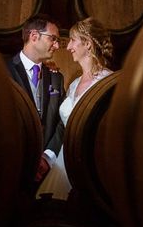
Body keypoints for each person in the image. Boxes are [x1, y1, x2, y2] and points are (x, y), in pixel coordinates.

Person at [36, 17, 114, 200]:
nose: (68, 46)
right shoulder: (74, 84)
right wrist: (47, 159)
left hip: (89, 166)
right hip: (62, 163)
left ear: (87, 44)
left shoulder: (107, 83)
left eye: (73, 40)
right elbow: (63, 128)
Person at [7, 14, 65, 183]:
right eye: (53, 39)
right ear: (34, 36)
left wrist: (48, 157)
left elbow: (62, 120)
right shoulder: (2, 71)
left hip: (47, 171)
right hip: (12, 169)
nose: (56, 45)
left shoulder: (56, 78)